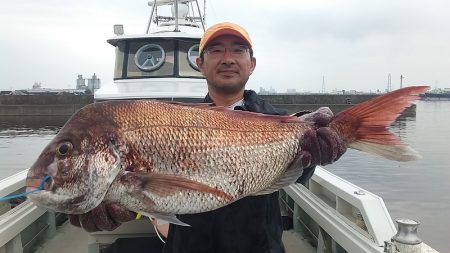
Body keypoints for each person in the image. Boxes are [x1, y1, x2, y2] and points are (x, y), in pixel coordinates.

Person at [69, 22, 346, 253]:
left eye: (238, 50)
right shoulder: (171, 122)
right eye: (216, 50)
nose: (227, 58)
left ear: (252, 64)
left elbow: (298, 174)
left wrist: (315, 153)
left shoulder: (276, 120)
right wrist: (104, 199)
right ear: (200, 64)